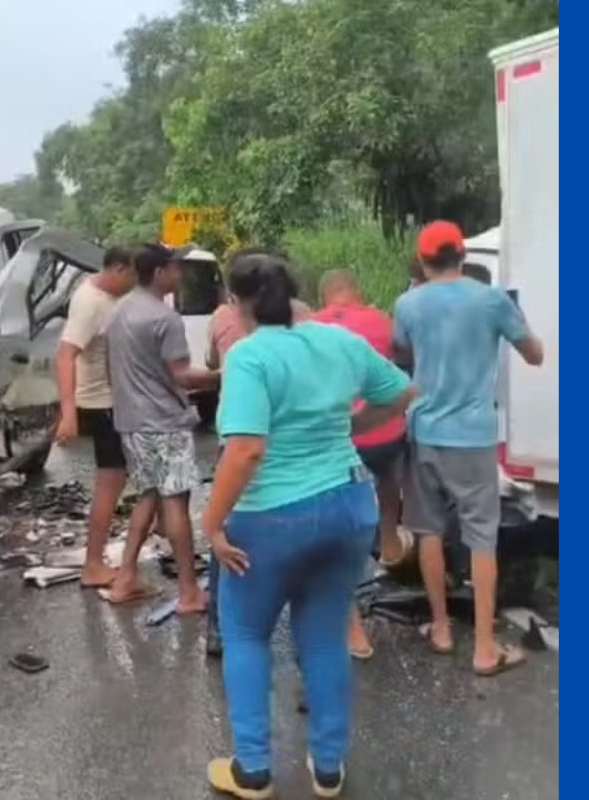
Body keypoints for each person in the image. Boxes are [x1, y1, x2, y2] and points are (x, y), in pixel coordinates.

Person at [202, 253, 416, 799]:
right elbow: (402, 392)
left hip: (272, 515)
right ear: (294, 294)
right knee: (323, 639)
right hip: (348, 505)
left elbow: (247, 449)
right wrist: (353, 423)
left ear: (235, 302)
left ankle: (252, 770)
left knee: (246, 634)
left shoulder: (249, 358)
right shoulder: (336, 341)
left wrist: (213, 521)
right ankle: (327, 767)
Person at [394, 220, 544, 677]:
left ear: (422, 261)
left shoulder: (407, 304)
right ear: (462, 255)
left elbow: (400, 354)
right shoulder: (491, 300)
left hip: (423, 433)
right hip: (474, 436)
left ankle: (440, 629)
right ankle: (483, 648)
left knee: (429, 531)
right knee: (481, 537)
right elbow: (534, 354)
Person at [203, 248, 313, 657]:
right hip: (297, 443)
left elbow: (213, 362)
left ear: (235, 293)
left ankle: (222, 627)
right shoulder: (304, 317)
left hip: (241, 437)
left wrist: (211, 523)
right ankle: (310, 650)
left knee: (229, 531)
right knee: (301, 540)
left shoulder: (224, 322)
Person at [104, 243, 218, 611]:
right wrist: (222, 376)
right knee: (176, 502)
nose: (179, 274)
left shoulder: (119, 311)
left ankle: (124, 579)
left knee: (149, 496)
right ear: (158, 274)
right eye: (174, 268)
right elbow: (182, 376)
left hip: (131, 421)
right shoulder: (163, 318)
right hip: (164, 422)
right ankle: (188, 592)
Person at [313, 269, 411, 660]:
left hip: (341, 437)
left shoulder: (314, 328)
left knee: (337, 516)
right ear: (356, 291)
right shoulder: (380, 320)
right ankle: (388, 538)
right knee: (389, 477)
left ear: (325, 295)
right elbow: (400, 364)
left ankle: (349, 617)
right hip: (384, 430)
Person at [54, 246, 138, 588]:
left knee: (123, 479)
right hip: (103, 404)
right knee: (109, 485)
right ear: (118, 269)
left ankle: (100, 558)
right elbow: (64, 356)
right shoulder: (89, 302)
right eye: (132, 275)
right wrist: (68, 413)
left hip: (114, 402)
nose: (134, 283)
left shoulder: (106, 296)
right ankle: (92, 564)